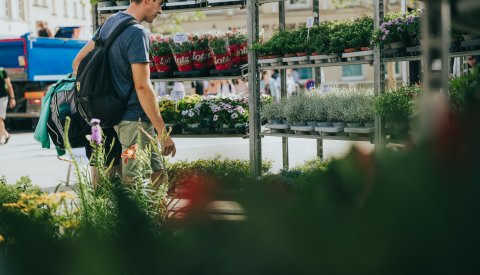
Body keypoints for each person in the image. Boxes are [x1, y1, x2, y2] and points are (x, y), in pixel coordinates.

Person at [73, 0, 175, 184]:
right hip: (134, 123)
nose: (160, 10)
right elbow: (142, 87)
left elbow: (78, 62)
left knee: (158, 173)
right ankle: (135, 213)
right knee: (133, 178)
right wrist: (163, 132)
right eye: (160, 3)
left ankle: (159, 212)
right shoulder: (137, 33)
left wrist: (106, 91)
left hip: (113, 116)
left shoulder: (111, 22)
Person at [0, 68, 16, 144]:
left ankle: (1, 137)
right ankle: (6, 134)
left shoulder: (2, 71)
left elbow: (9, 85)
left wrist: (12, 98)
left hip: (2, 97)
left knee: (0, 118)